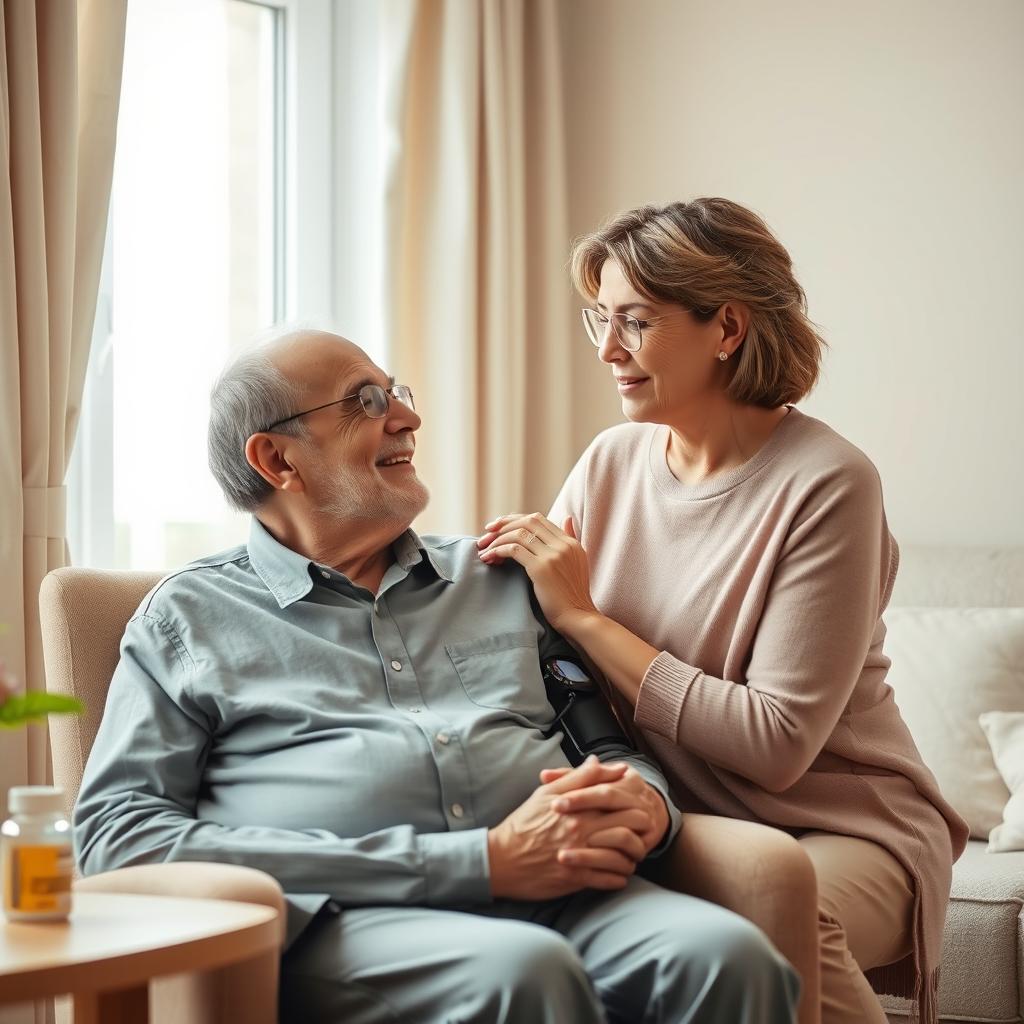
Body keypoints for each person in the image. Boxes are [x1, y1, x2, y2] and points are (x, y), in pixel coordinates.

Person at [74, 329, 800, 1024]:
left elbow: (604, 747)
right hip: (349, 918)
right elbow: (116, 835)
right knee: (521, 974)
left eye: (397, 393)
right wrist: (475, 862)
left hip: (565, 895)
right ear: (276, 460)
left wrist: (645, 804)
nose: (409, 418)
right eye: (366, 401)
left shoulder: (499, 578)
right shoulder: (190, 618)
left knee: (730, 958)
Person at [477, 198, 969, 1024]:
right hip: (682, 811)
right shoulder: (610, 461)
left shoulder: (829, 483)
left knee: (781, 907)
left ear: (728, 328)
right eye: (599, 318)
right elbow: (525, 622)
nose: (606, 349)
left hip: (844, 822)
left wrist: (592, 622)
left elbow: (774, 744)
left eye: (634, 321)